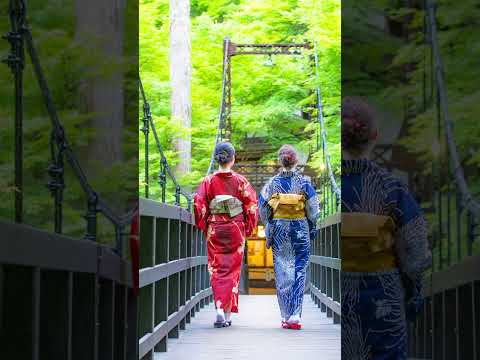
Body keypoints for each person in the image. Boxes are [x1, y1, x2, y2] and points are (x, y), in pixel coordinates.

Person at [341, 96, 431, 359]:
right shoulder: (392, 189)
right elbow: (416, 253)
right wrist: (413, 293)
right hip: (383, 301)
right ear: (374, 136)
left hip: (339, 297)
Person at [194, 141, 258, 328]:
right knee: (233, 270)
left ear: (217, 159)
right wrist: (248, 227)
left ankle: (220, 309)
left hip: (215, 228)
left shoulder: (208, 181)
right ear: (233, 159)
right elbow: (252, 207)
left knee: (217, 268)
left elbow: (199, 205)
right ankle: (226, 312)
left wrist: (204, 225)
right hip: (236, 229)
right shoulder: (241, 181)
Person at [259, 145, 319, 330]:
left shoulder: (271, 184)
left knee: (283, 269)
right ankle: (295, 315)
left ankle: (286, 315)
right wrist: (311, 225)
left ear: (280, 160)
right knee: (300, 269)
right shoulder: (305, 183)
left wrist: (270, 224)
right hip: (300, 228)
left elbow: (262, 209)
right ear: (296, 161)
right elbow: (314, 210)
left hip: (280, 229)